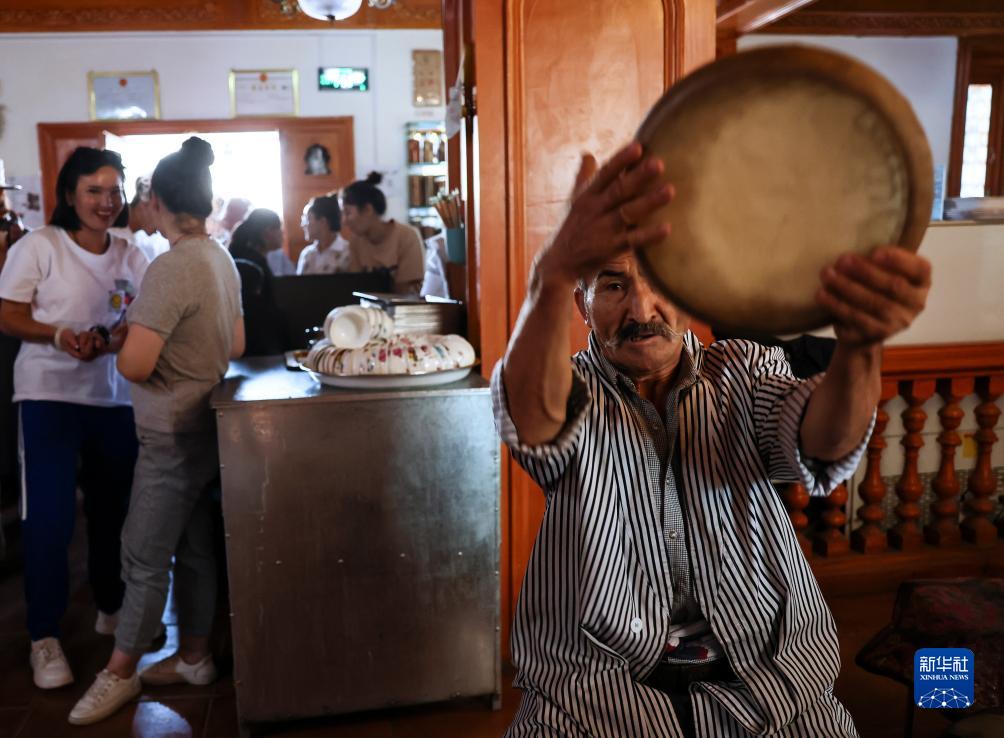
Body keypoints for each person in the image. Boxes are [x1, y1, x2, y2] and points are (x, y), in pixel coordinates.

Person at [492, 142, 931, 738]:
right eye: (614, 285)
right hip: (595, 698)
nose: (642, 308)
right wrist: (549, 275)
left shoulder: (746, 369)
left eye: (660, 283)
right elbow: (532, 417)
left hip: (773, 685)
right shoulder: (569, 387)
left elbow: (824, 445)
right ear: (582, 303)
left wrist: (861, 343)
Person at [70, 137, 244, 725]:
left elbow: (135, 366)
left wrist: (133, 342)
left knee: (142, 554)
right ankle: (194, 656)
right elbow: (235, 342)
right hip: (206, 425)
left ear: (157, 199)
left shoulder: (171, 268)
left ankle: (119, 673)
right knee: (193, 549)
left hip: (170, 432)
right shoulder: (219, 256)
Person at [0, 147, 149, 691]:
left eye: (115, 191)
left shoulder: (132, 255)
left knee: (113, 515)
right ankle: (44, 636)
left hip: (112, 398)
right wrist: (60, 335)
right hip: (48, 397)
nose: (107, 202)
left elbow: (140, 318)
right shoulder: (41, 245)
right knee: (51, 519)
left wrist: (111, 339)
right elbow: (8, 313)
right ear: (69, 195)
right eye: (94, 191)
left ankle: (111, 606)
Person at [342, 172, 425, 294]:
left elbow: (406, 292)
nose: (344, 221)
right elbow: (355, 287)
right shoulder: (356, 241)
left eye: (348, 213)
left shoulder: (407, 236)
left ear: (368, 209)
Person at [229, 208, 287, 355]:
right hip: (259, 345)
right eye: (279, 228)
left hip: (239, 339)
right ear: (268, 232)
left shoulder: (242, 257)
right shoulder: (256, 263)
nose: (283, 233)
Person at [108, 176, 170, 263]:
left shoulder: (145, 243)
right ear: (146, 202)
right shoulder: (112, 236)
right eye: (160, 211)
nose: (164, 222)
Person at [296, 193, 350, 275]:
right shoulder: (307, 254)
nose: (303, 225)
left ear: (322, 221)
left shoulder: (347, 252)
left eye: (307, 219)